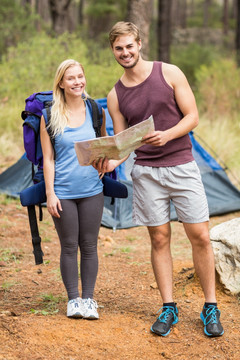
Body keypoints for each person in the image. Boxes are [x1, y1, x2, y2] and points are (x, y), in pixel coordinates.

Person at [93, 21, 224, 337]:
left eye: (129, 46)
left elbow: (192, 116)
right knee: (159, 238)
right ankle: (169, 306)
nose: (125, 53)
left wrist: (168, 135)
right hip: (146, 174)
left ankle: (210, 306)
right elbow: (127, 142)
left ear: (139, 43)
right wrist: (112, 162)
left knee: (201, 237)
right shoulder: (115, 95)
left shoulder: (169, 73)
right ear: (113, 51)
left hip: (181, 166)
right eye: (118, 48)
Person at [40, 59, 107, 320]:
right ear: (61, 82)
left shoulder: (94, 109)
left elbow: (103, 143)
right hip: (63, 193)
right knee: (69, 246)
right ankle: (73, 300)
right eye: (71, 78)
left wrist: (104, 160)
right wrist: (50, 193)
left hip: (92, 189)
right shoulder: (49, 115)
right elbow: (48, 159)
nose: (78, 82)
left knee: (89, 245)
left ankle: (89, 300)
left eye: (80, 76)